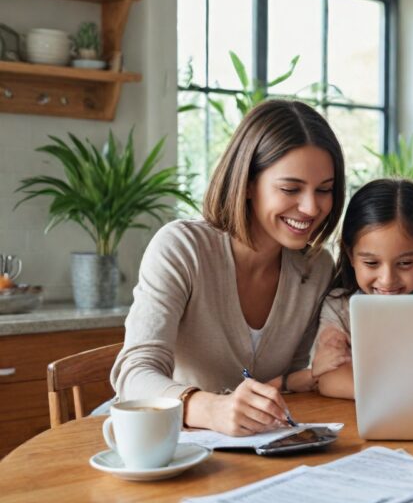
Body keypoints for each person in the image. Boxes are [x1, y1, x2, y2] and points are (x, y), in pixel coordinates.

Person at [111, 99, 349, 436]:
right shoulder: (182, 249)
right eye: (290, 189)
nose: (311, 207)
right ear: (249, 183)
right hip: (168, 443)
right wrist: (210, 408)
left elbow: (283, 384)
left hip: (251, 451)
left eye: (324, 190)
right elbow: (133, 374)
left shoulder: (315, 268)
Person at [314, 178, 413, 400]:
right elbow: (329, 377)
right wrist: (402, 395)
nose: (387, 280)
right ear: (350, 255)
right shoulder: (341, 307)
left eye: (404, 263)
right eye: (371, 264)